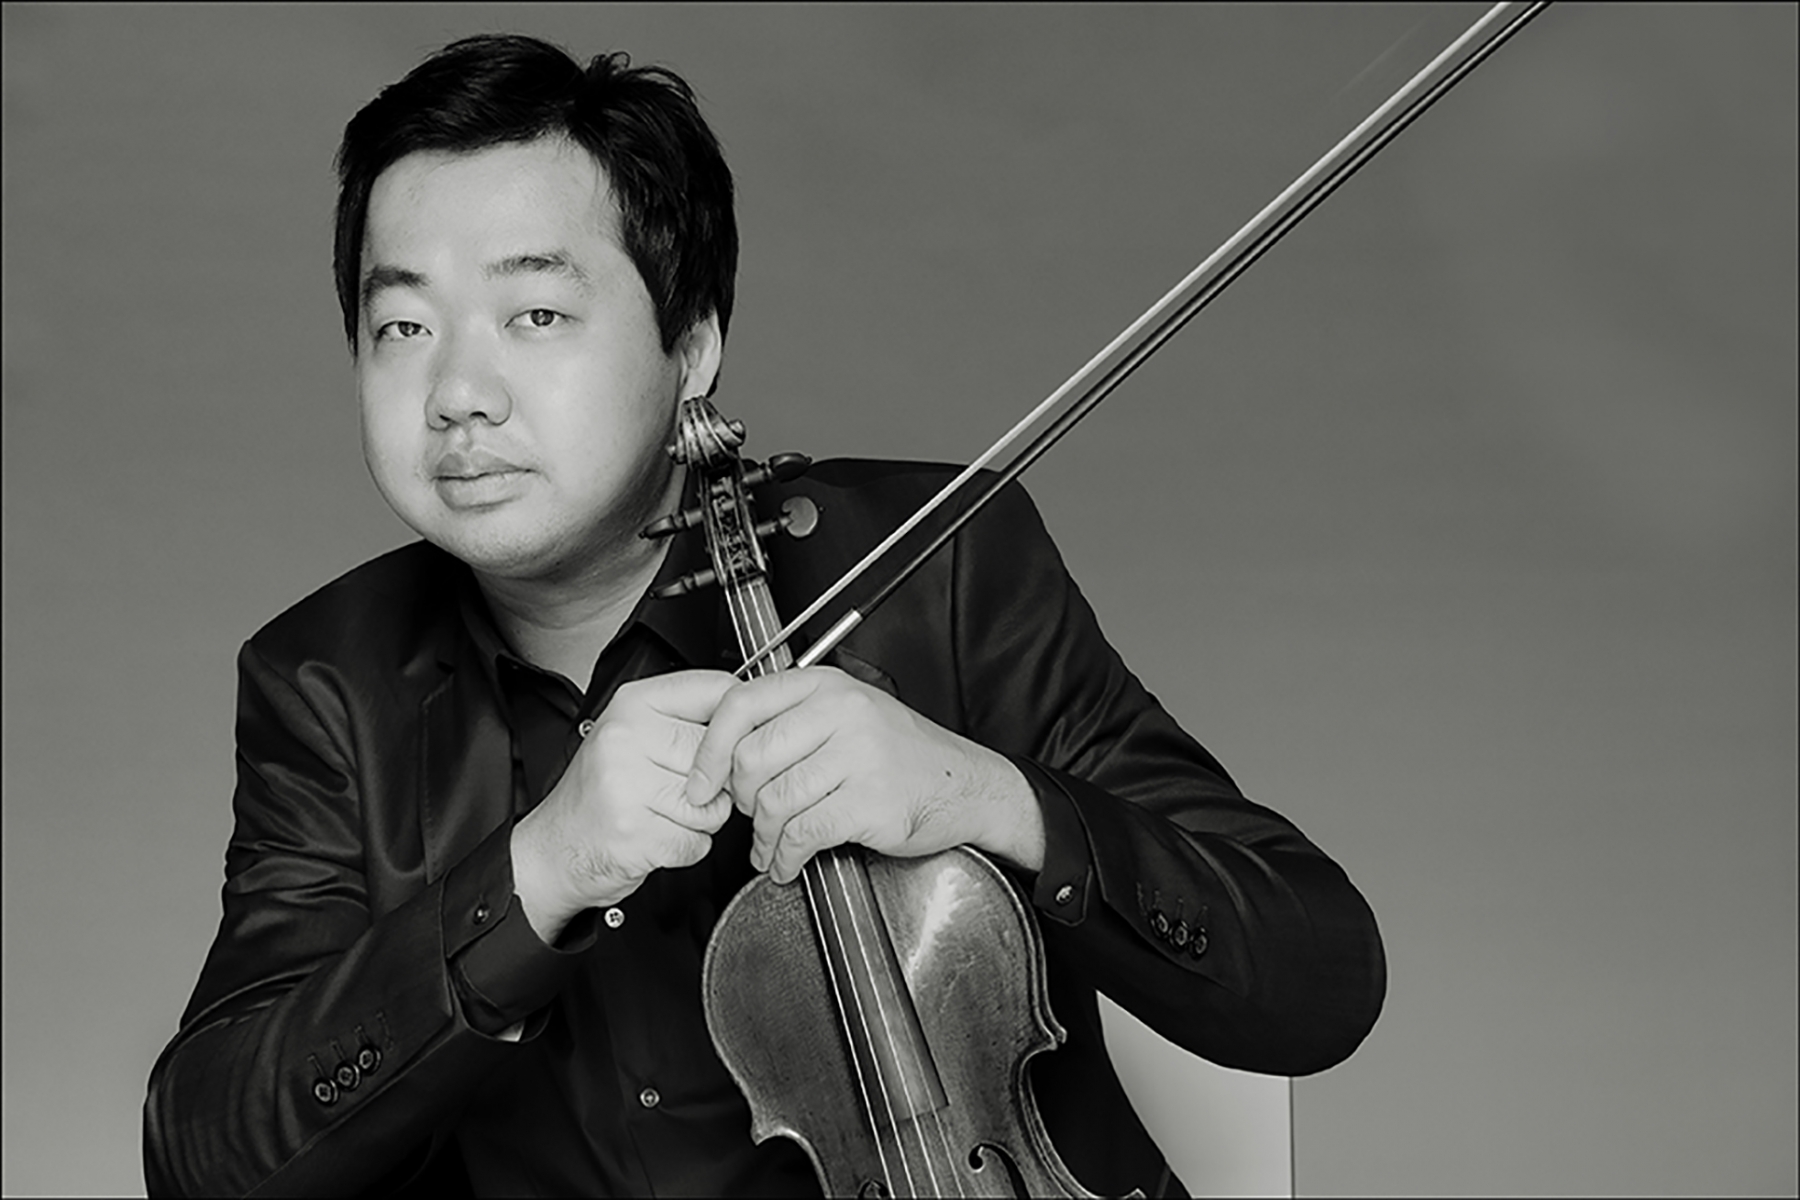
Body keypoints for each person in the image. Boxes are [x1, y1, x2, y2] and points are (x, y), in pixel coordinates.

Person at [142, 33, 1384, 1198]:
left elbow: (1319, 981)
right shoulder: (328, 681)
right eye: (403, 325)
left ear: (690, 348)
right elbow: (204, 1155)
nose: (459, 392)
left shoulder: (934, 567)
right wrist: (534, 872)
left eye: (537, 316)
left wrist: (989, 799)